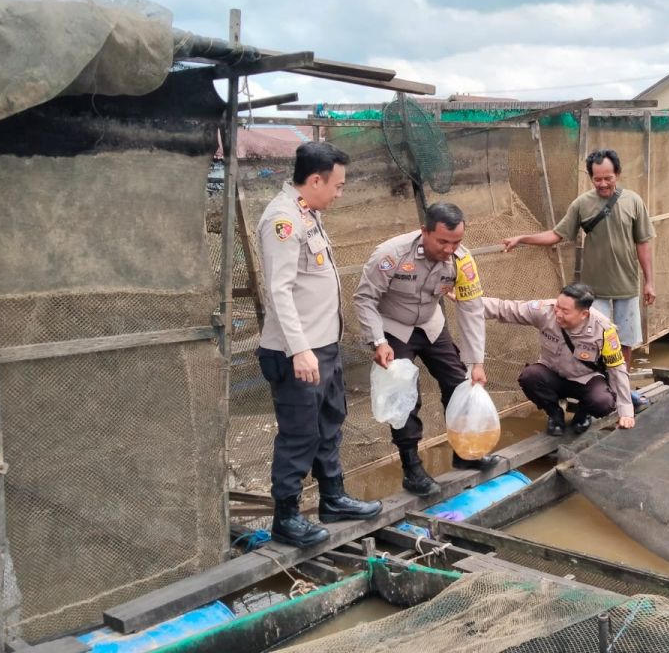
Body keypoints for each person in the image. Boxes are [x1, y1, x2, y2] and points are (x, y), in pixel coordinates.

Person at [256, 142, 381, 549]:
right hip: (298, 352)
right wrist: (300, 349)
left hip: (322, 346)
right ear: (314, 180)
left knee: (329, 422)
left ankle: (333, 497)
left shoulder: (307, 213)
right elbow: (280, 290)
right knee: (300, 432)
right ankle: (286, 518)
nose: (339, 193)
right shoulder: (283, 220)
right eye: (338, 185)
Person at [354, 202, 493, 498]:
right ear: (424, 232)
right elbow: (364, 299)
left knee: (460, 383)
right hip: (394, 327)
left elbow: (471, 310)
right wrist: (378, 341)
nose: (449, 249)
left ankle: (465, 451)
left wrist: (476, 361)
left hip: (431, 324)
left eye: (456, 242)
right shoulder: (390, 255)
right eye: (442, 241)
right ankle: (412, 468)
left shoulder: (463, 261)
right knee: (404, 393)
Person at [502, 149, 655, 371]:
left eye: (608, 178)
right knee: (593, 339)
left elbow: (643, 243)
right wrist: (523, 238)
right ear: (591, 177)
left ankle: (622, 385)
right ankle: (597, 384)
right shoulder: (582, 204)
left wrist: (649, 281)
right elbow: (556, 234)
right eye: (597, 179)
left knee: (625, 342)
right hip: (594, 289)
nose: (602, 184)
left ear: (618, 174)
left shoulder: (634, 201)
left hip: (627, 284)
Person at [485, 283, 635, 436]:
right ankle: (555, 414)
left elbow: (617, 369)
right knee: (529, 377)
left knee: (603, 402)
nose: (558, 313)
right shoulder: (545, 311)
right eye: (558, 306)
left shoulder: (604, 330)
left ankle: (584, 413)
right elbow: (506, 308)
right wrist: (470, 303)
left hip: (586, 379)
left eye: (565, 311)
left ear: (583, 314)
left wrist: (626, 413)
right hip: (553, 374)